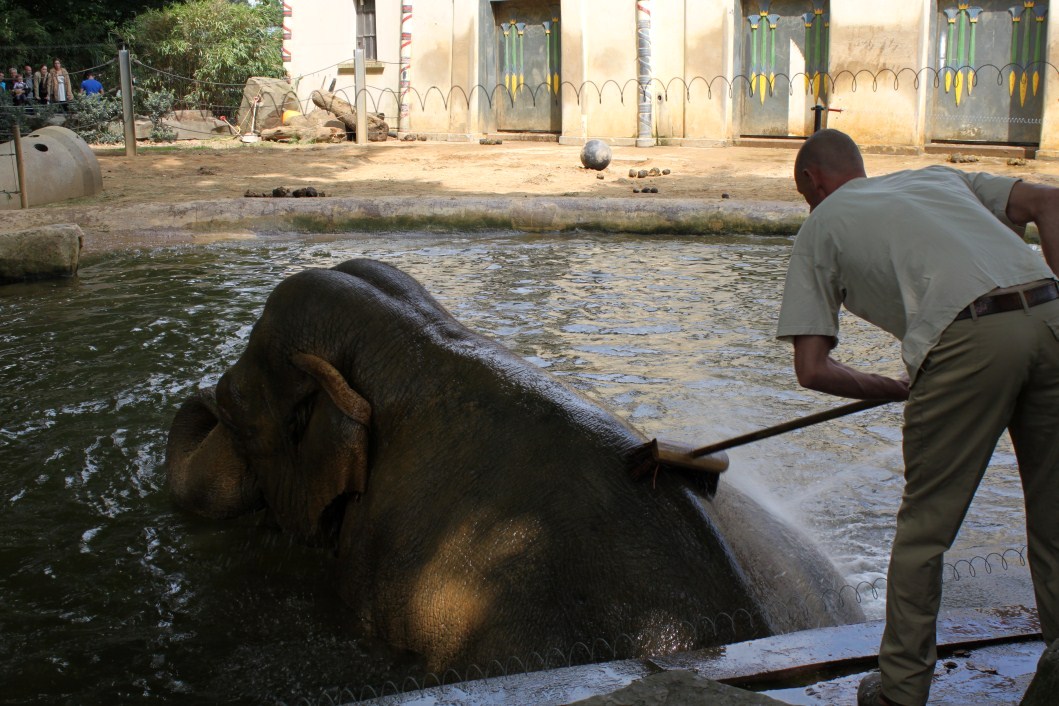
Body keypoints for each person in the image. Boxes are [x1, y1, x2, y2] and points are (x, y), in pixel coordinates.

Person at [776, 129, 1059, 706]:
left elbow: (812, 368)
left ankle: (901, 690)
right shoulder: (935, 176)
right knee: (1055, 516)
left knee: (923, 534)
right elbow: (1049, 201)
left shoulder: (820, 224)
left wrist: (896, 387)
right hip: (1051, 314)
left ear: (813, 181)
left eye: (807, 193)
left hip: (966, 339)